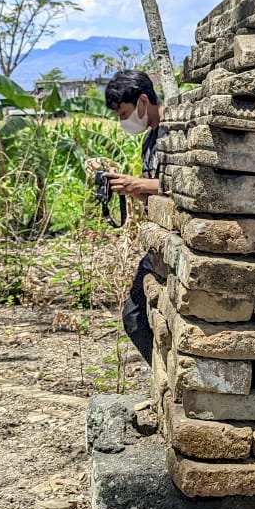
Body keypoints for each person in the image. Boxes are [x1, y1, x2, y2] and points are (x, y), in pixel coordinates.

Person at [103, 69, 164, 366]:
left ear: (143, 101)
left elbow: (187, 187)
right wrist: (129, 188)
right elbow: (155, 192)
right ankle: (163, 375)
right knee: (135, 317)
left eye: (124, 113)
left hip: (175, 241)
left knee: (136, 315)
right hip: (158, 244)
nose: (123, 122)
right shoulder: (148, 140)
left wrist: (138, 184)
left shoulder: (177, 132)